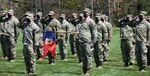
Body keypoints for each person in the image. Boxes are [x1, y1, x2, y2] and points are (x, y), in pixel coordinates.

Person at [78, 8, 97, 75]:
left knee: (88, 56)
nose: (84, 13)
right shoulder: (82, 21)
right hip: (81, 40)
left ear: (89, 13)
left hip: (87, 41)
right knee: (83, 56)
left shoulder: (91, 21)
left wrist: (93, 41)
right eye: (84, 12)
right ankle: (84, 69)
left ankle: (88, 70)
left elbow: (94, 31)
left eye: (86, 12)